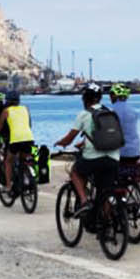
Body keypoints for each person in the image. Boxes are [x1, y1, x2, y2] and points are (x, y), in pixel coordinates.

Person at [53, 82, 120, 213]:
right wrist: (84, 143)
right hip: (113, 157)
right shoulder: (110, 112)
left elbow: (69, 138)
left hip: (94, 159)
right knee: (104, 192)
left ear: (85, 99)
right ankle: (106, 224)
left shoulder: (84, 114)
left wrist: (60, 143)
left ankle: (84, 200)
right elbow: (106, 135)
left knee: (75, 172)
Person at [0, 91, 34, 188]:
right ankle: (27, 178)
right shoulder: (25, 109)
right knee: (25, 159)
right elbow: (29, 125)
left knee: (8, 161)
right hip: (28, 137)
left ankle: (8, 186)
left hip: (15, 139)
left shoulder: (6, 111)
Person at [107, 83, 140, 166]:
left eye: (111, 94)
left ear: (115, 96)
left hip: (119, 152)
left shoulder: (111, 111)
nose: (110, 97)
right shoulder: (133, 111)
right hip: (135, 151)